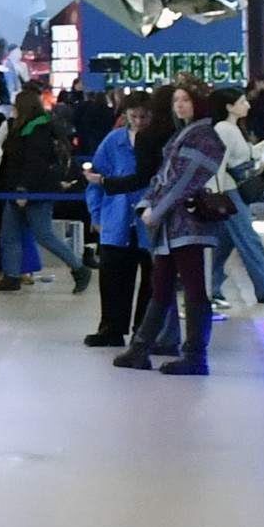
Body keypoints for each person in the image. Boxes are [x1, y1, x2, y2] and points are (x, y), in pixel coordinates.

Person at [125, 78, 233, 374]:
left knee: (192, 286)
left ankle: (194, 355)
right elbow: (167, 177)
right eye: (176, 100)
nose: (180, 105)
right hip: (172, 225)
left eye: (186, 99)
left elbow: (183, 181)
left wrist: (155, 208)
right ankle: (141, 348)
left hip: (188, 225)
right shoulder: (187, 133)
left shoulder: (203, 136)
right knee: (161, 284)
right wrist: (150, 204)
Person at [0, 80, 88, 290]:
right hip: (19, 189)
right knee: (9, 234)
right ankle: (12, 275)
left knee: (44, 234)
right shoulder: (28, 128)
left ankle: (79, 267)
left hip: (34, 191)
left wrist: (23, 190)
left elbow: (35, 164)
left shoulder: (38, 131)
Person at [83, 91, 156, 349]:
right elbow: (95, 180)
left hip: (150, 222)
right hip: (117, 219)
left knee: (152, 279)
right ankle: (111, 328)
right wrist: (96, 214)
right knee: (113, 278)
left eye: (144, 117)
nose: (138, 122)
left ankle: (144, 330)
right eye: (133, 116)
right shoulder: (113, 141)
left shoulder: (158, 141)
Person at [209, 80, 264, 310]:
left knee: (224, 244)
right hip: (229, 192)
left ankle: (210, 285)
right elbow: (220, 163)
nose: (246, 105)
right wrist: (215, 194)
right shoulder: (225, 129)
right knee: (249, 239)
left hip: (230, 190)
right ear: (229, 107)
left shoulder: (232, 128)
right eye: (242, 102)